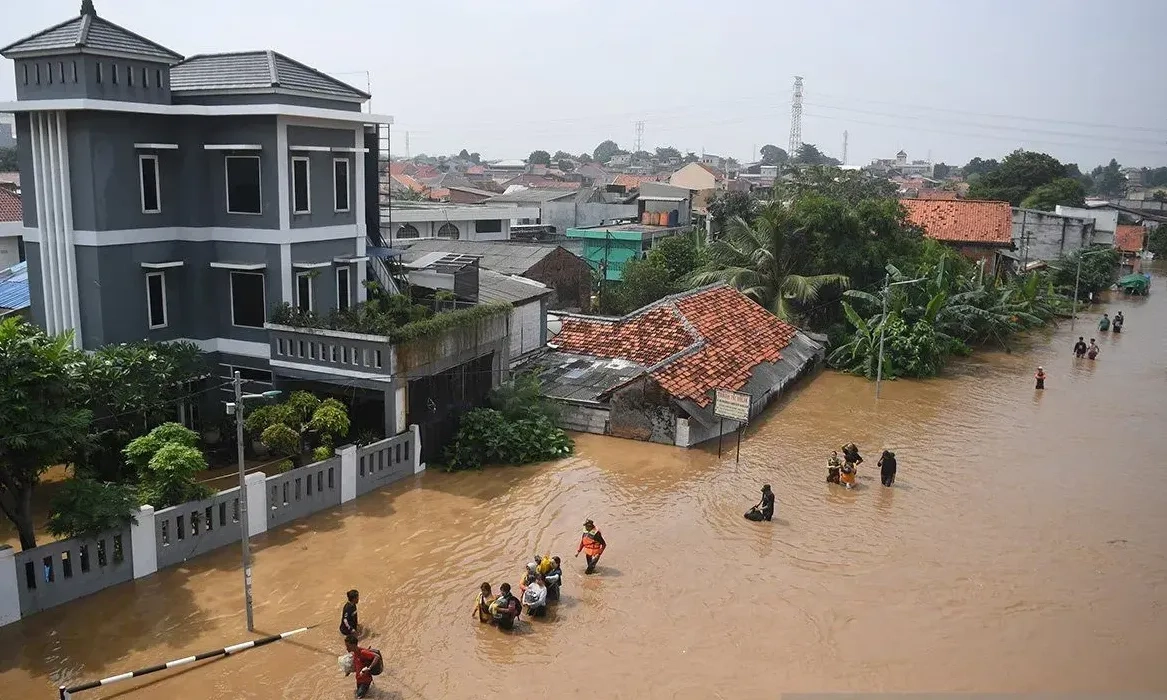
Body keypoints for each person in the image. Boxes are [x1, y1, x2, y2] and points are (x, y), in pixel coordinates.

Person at [344, 635, 381, 699]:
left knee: (359, 697)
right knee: (362, 696)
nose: (347, 648)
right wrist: (349, 671)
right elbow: (357, 665)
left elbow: (377, 657)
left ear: (353, 645)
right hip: (359, 680)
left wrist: (369, 668)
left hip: (365, 681)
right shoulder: (354, 653)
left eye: (348, 646)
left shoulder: (362, 652)